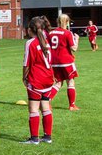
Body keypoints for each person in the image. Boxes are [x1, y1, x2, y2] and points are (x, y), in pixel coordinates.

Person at [23, 15, 56, 144]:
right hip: (48, 78)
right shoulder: (46, 41)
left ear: (30, 29)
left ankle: (34, 138)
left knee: (33, 109)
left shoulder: (30, 43)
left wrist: (24, 77)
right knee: (46, 107)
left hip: (36, 79)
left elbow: (27, 63)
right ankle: (47, 137)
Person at [49, 13, 80, 110]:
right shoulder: (67, 33)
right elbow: (73, 48)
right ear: (67, 22)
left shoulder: (51, 33)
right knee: (70, 82)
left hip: (54, 62)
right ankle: (72, 105)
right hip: (66, 61)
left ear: (57, 21)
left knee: (58, 83)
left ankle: (47, 100)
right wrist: (77, 39)